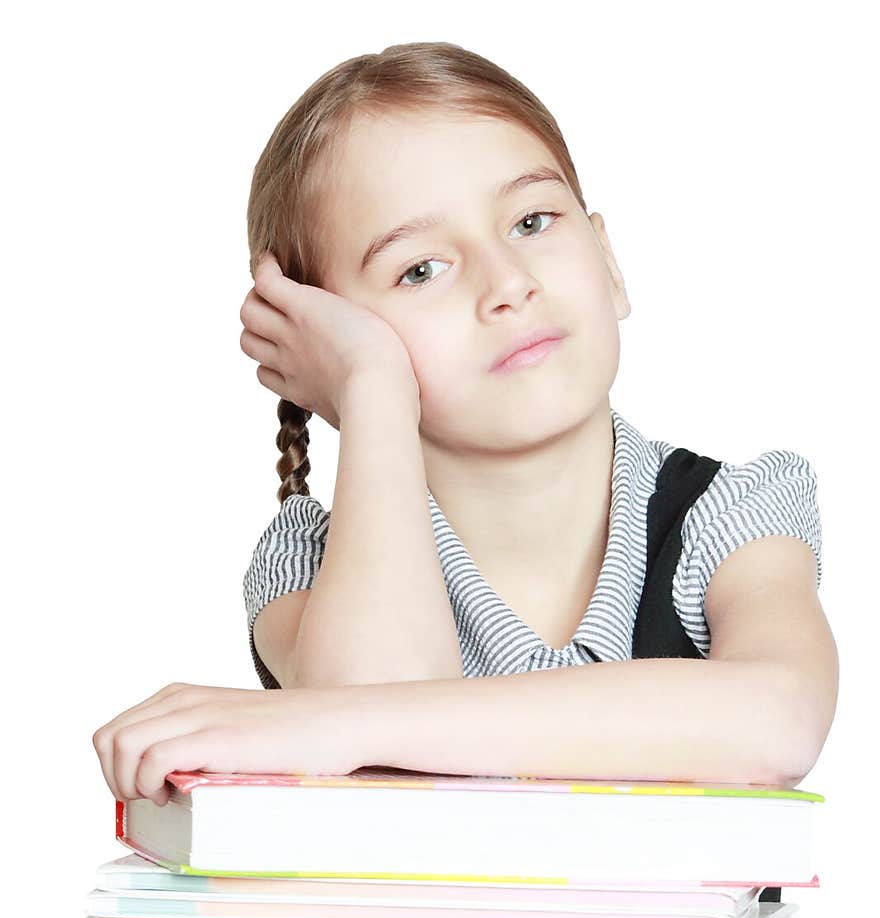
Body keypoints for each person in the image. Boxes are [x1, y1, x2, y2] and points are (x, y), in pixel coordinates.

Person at [92, 41, 838, 808]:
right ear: (323, 339)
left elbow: (777, 720)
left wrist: (321, 725)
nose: (507, 284)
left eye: (533, 221)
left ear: (608, 261)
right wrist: (373, 390)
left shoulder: (731, 515)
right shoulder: (309, 564)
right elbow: (379, 762)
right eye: (420, 269)